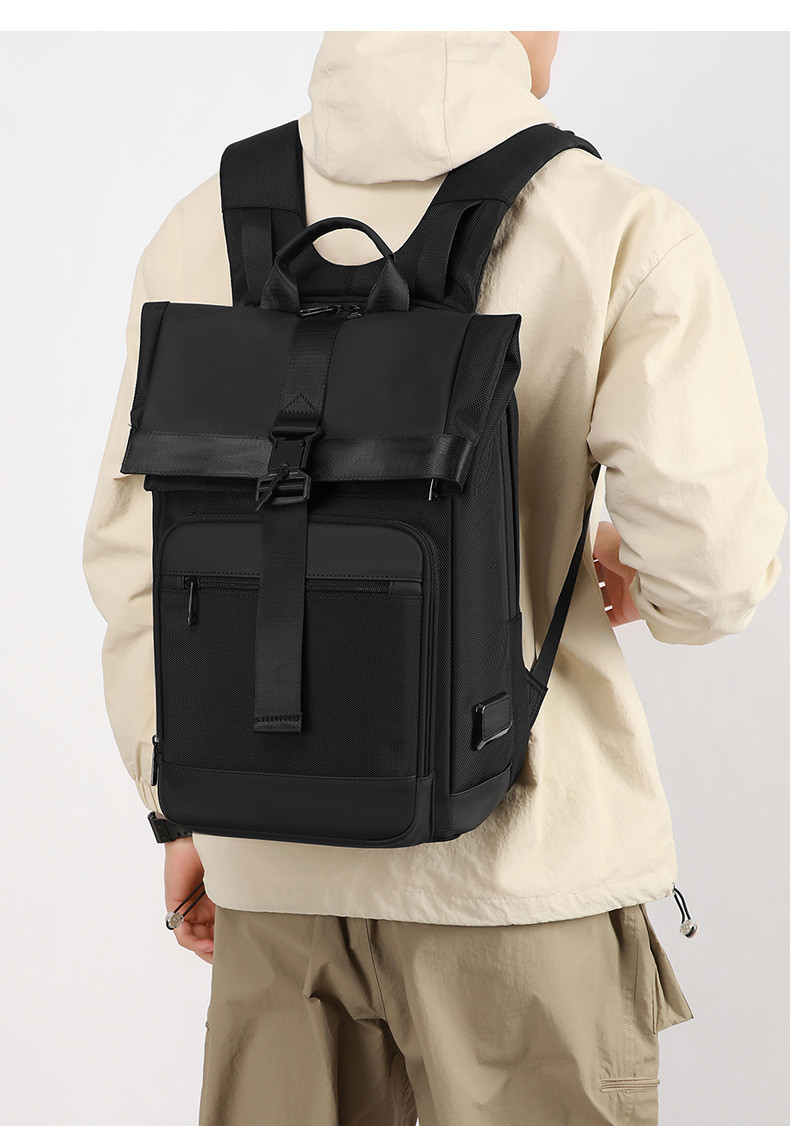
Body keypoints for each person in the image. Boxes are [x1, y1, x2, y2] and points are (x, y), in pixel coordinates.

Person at [84, 30, 785, 1125]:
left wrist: (177, 809)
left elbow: (135, 558)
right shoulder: (614, 226)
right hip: (525, 883)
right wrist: (625, 572)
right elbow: (713, 569)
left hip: (273, 878)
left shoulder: (202, 223)